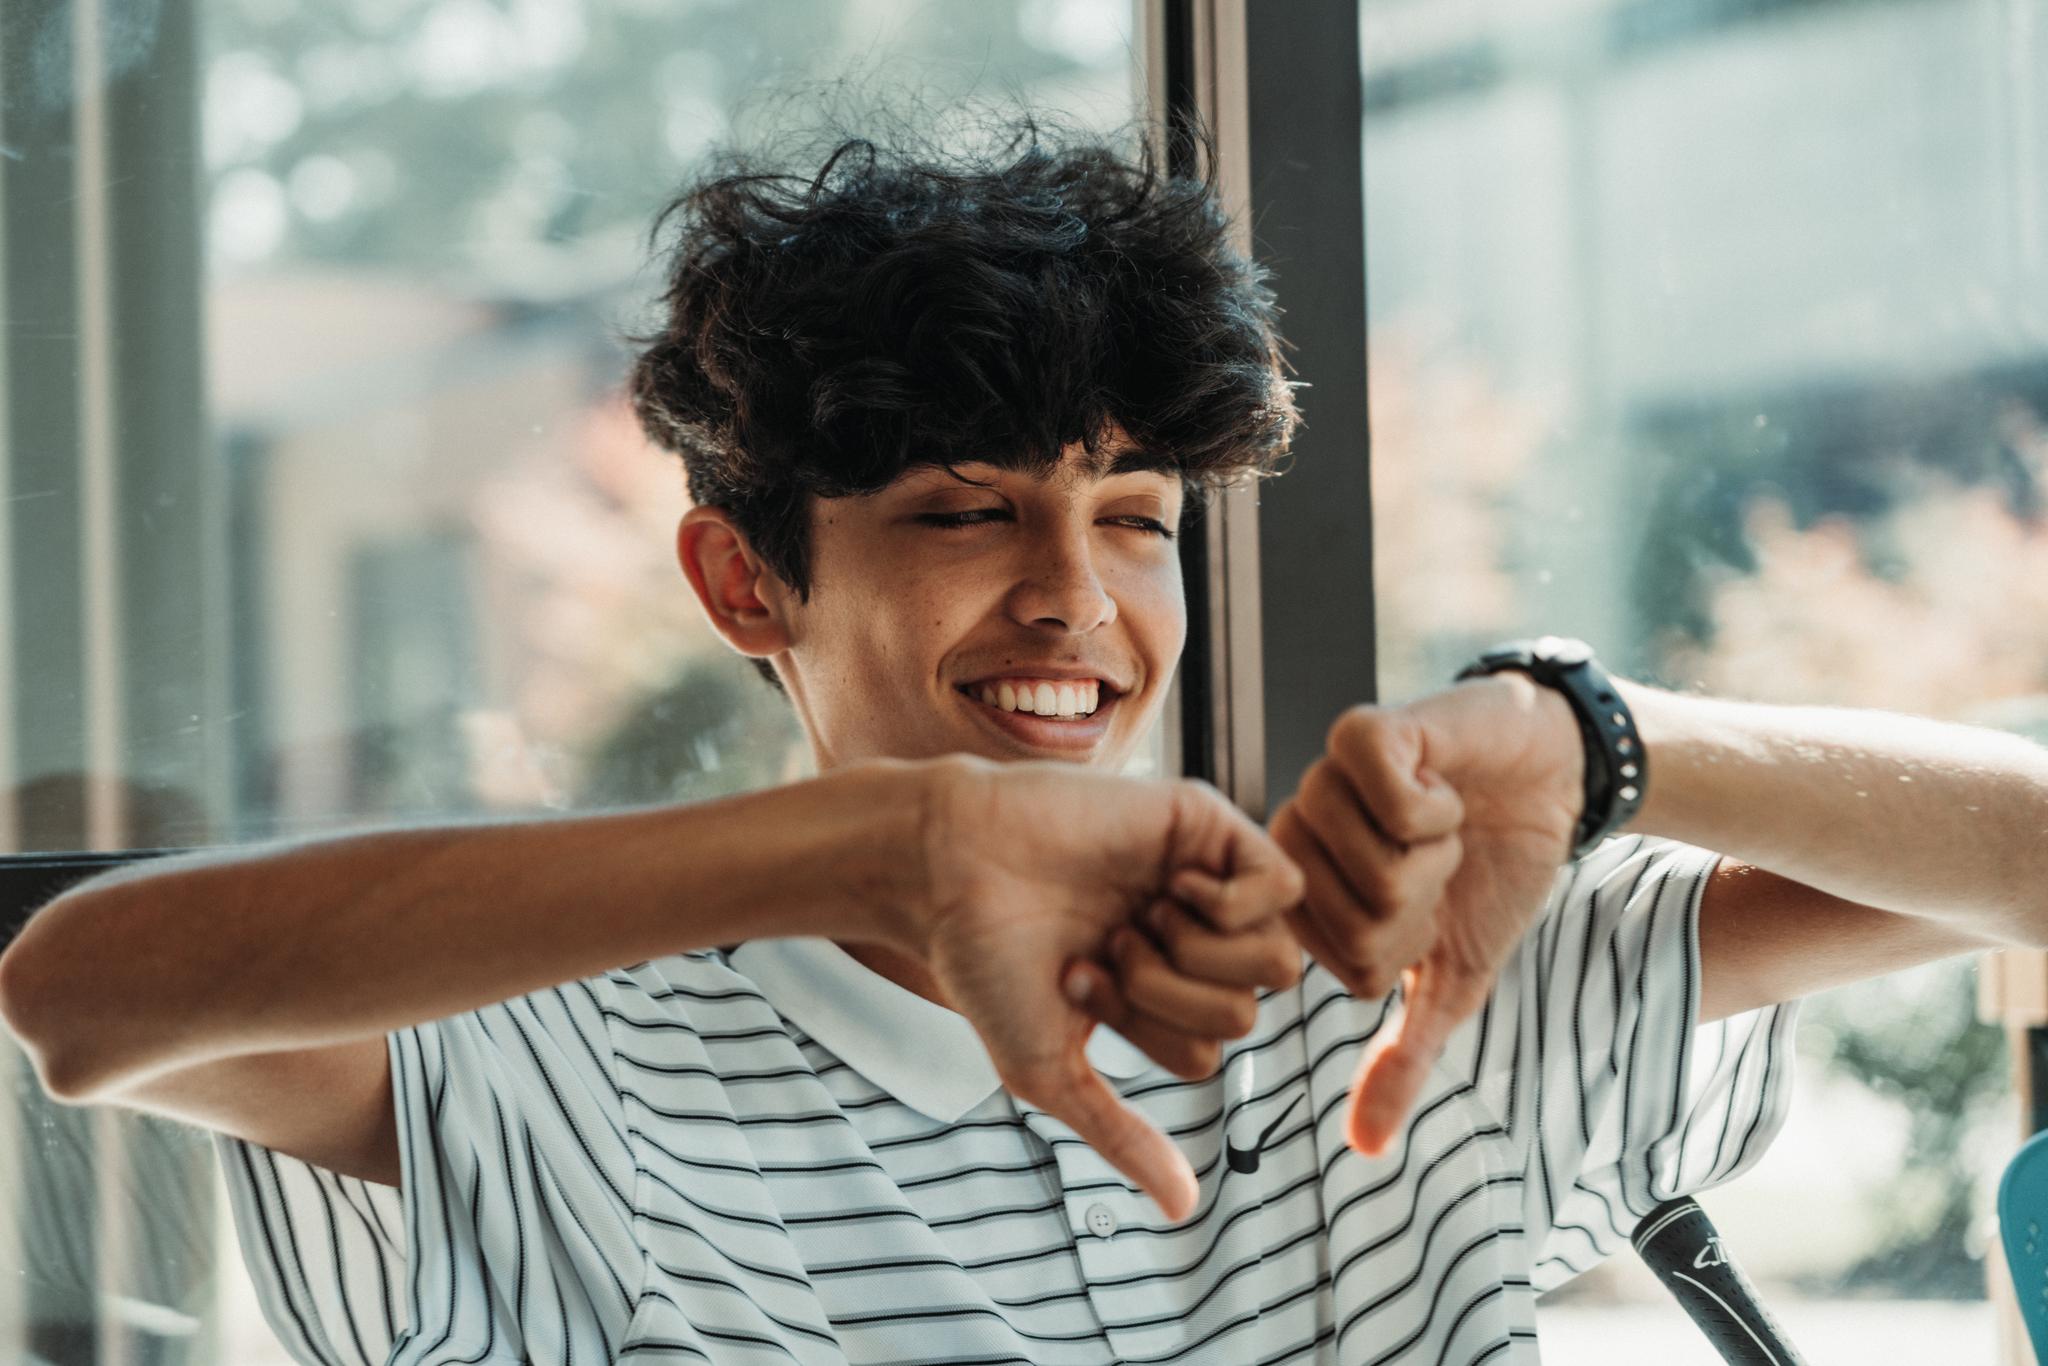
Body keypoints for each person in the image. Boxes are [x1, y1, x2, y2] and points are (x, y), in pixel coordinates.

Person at [4, 116, 2045, 1366]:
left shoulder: (1400, 975)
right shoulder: (564, 1055)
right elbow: (78, 990)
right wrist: (866, 849)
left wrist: (1596, 735)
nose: (1075, 596)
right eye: (966, 510)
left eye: (1135, 518)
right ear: (741, 584)